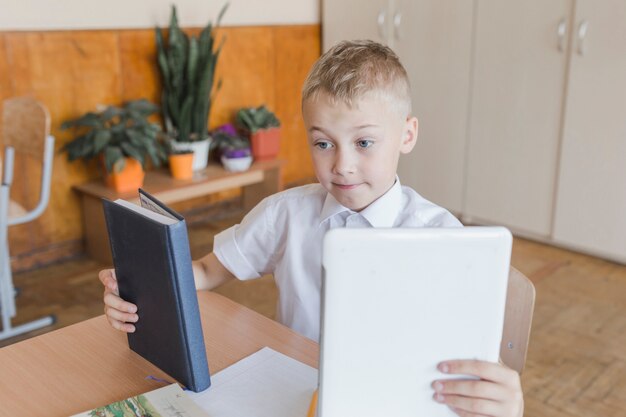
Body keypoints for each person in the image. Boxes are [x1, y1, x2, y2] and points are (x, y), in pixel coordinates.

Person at [100, 40, 523, 417]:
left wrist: (505, 400)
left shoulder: (444, 237)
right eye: (323, 143)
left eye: (364, 142)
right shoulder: (286, 213)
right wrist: (139, 285)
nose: (342, 165)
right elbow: (209, 272)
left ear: (407, 135)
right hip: (295, 392)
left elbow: (470, 350)